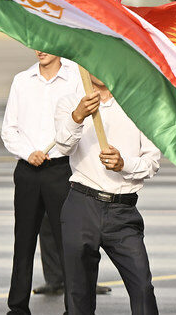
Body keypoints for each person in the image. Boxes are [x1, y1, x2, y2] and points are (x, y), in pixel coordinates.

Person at [54, 73, 162, 314]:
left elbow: (152, 162)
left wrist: (124, 164)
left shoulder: (140, 103)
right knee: (78, 294)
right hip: (81, 206)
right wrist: (77, 116)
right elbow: (63, 147)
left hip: (123, 211)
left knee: (142, 286)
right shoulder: (70, 101)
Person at [2, 51, 81, 314]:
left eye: (46, 43)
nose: (40, 49)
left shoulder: (75, 79)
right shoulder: (22, 80)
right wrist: (28, 153)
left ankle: (74, 308)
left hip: (61, 170)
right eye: (36, 44)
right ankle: (17, 307)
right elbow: (9, 130)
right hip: (28, 170)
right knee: (23, 241)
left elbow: (83, 125)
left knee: (67, 241)